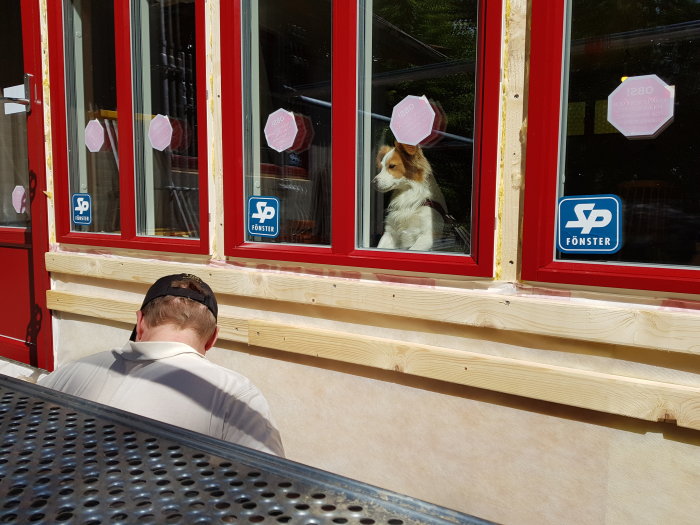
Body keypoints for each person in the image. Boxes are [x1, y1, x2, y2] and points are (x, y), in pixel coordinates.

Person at [39, 273, 284, 456]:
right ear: (212, 339)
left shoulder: (76, 370)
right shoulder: (236, 395)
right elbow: (271, 490)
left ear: (140, 322)